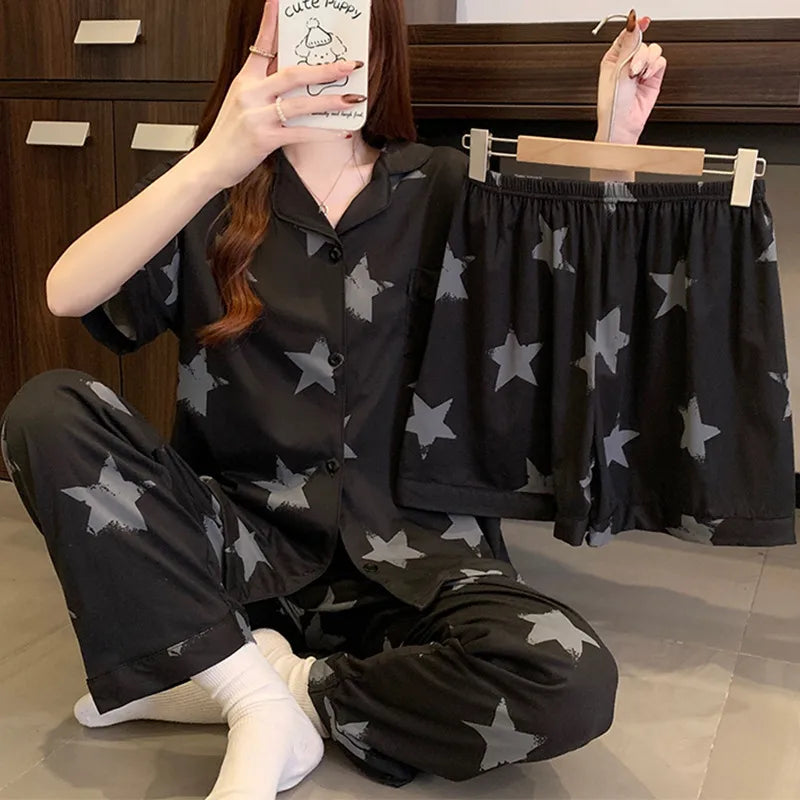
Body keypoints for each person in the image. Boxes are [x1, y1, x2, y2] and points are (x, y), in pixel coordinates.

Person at [0, 2, 666, 799]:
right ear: (256, 38)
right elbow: (67, 293)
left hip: (415, 559)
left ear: (378, 36)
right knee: (46, 410)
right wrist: (213, 160)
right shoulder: (207, 192)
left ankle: (261, 687)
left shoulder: (447, 186)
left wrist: (614, 143)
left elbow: (567, 315)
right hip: (236, 545)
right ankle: (245, 685)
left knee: (570, 679)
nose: (322, 46)